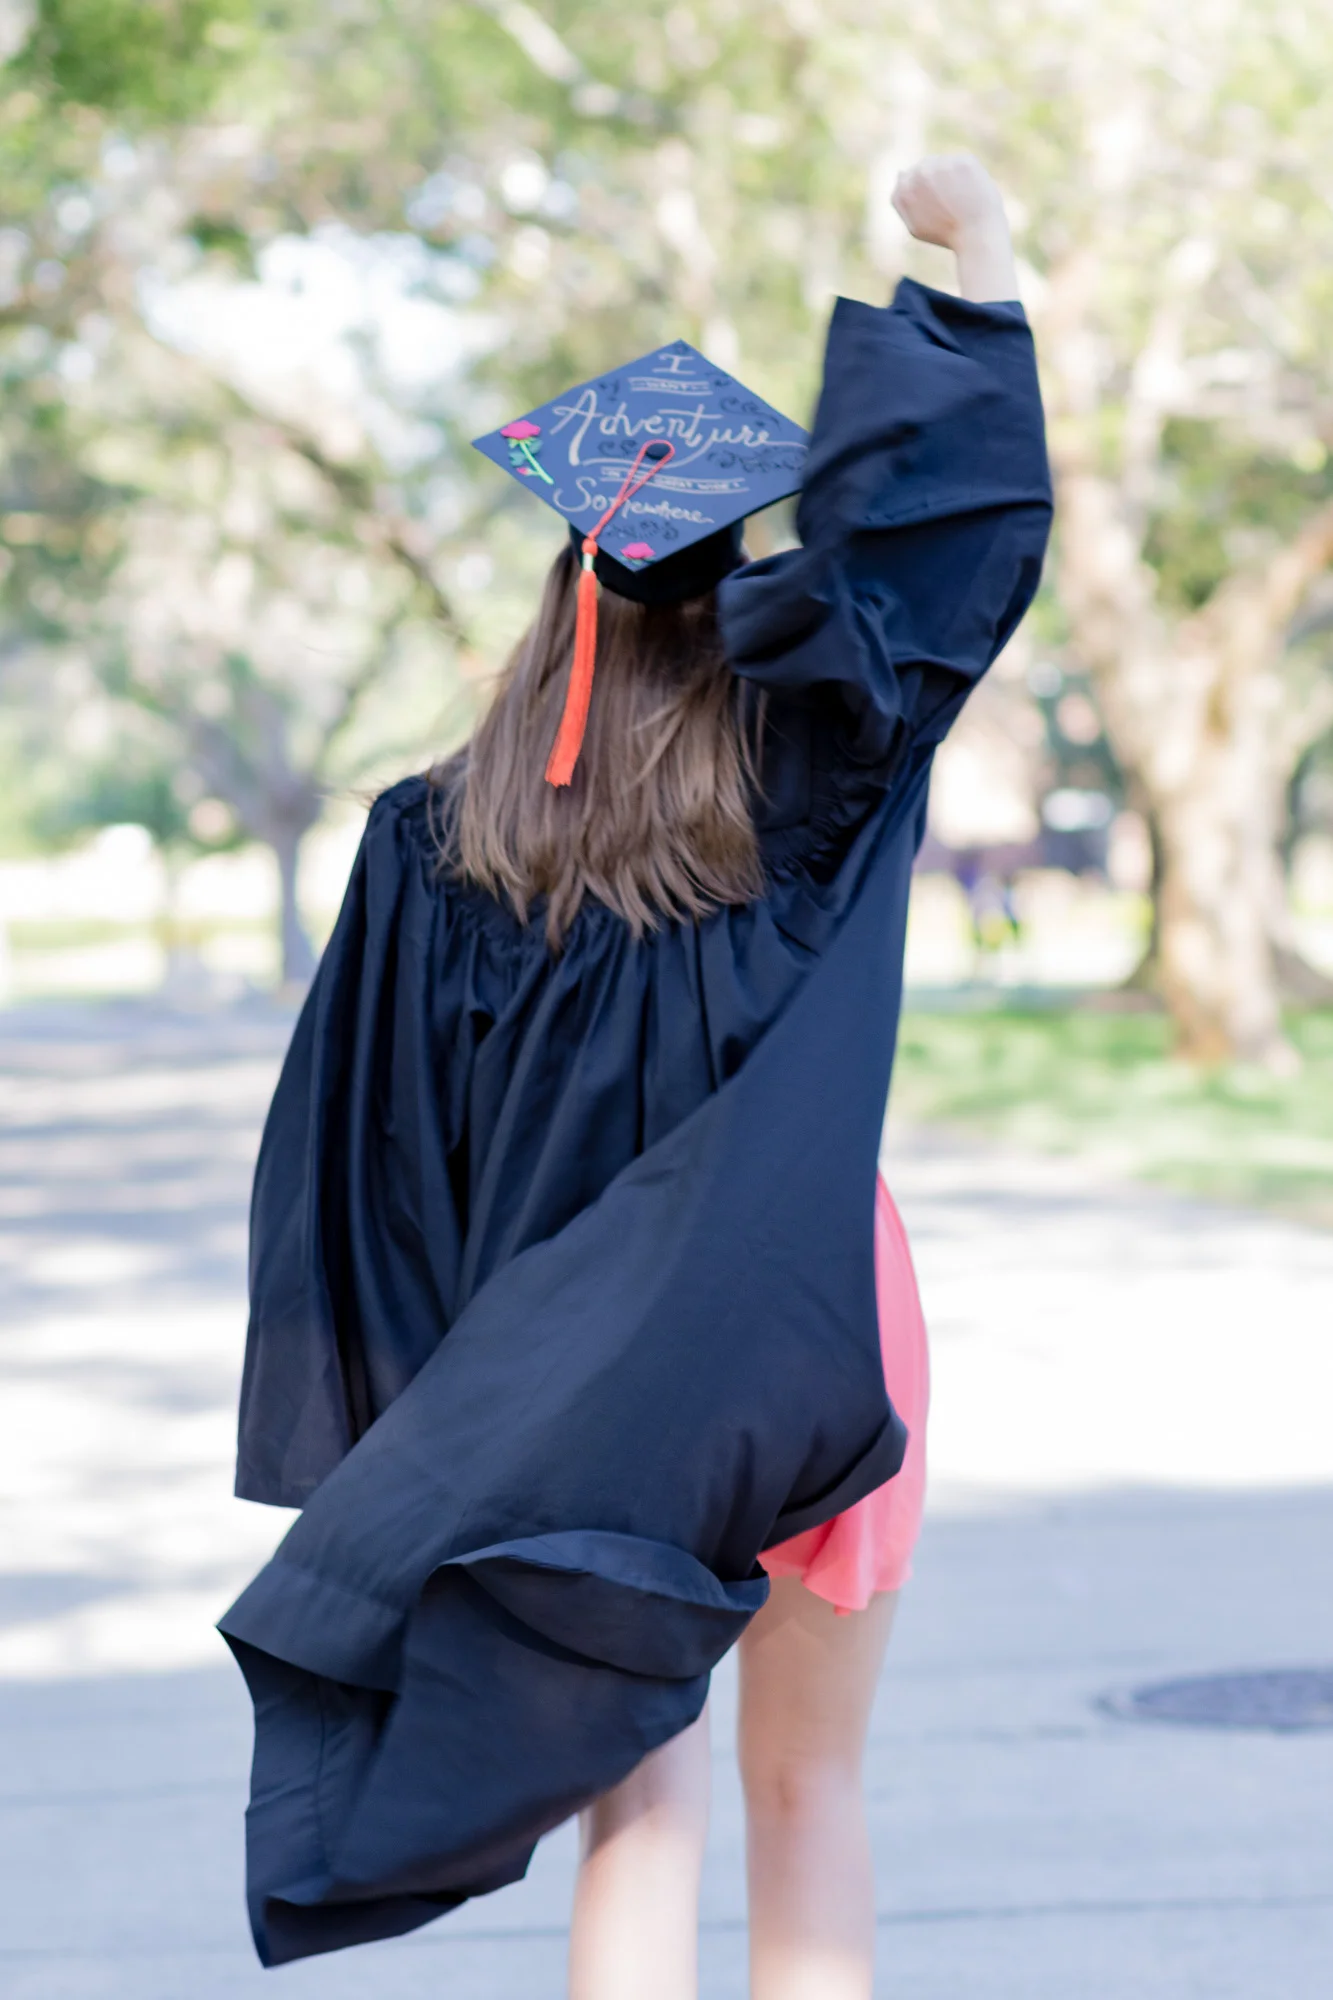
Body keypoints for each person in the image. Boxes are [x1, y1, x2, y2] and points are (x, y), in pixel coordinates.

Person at [220, 152, 1051, 1999]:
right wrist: (976, 276)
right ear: (737, 585)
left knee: (639, 1813)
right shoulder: (809, 776)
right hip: (813, 1323)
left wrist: (433, 1428)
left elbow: (374, 1168)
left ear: (560, 597)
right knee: (812, 1782)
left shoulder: (432, 841)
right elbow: (938, 576)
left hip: (576, 1371)